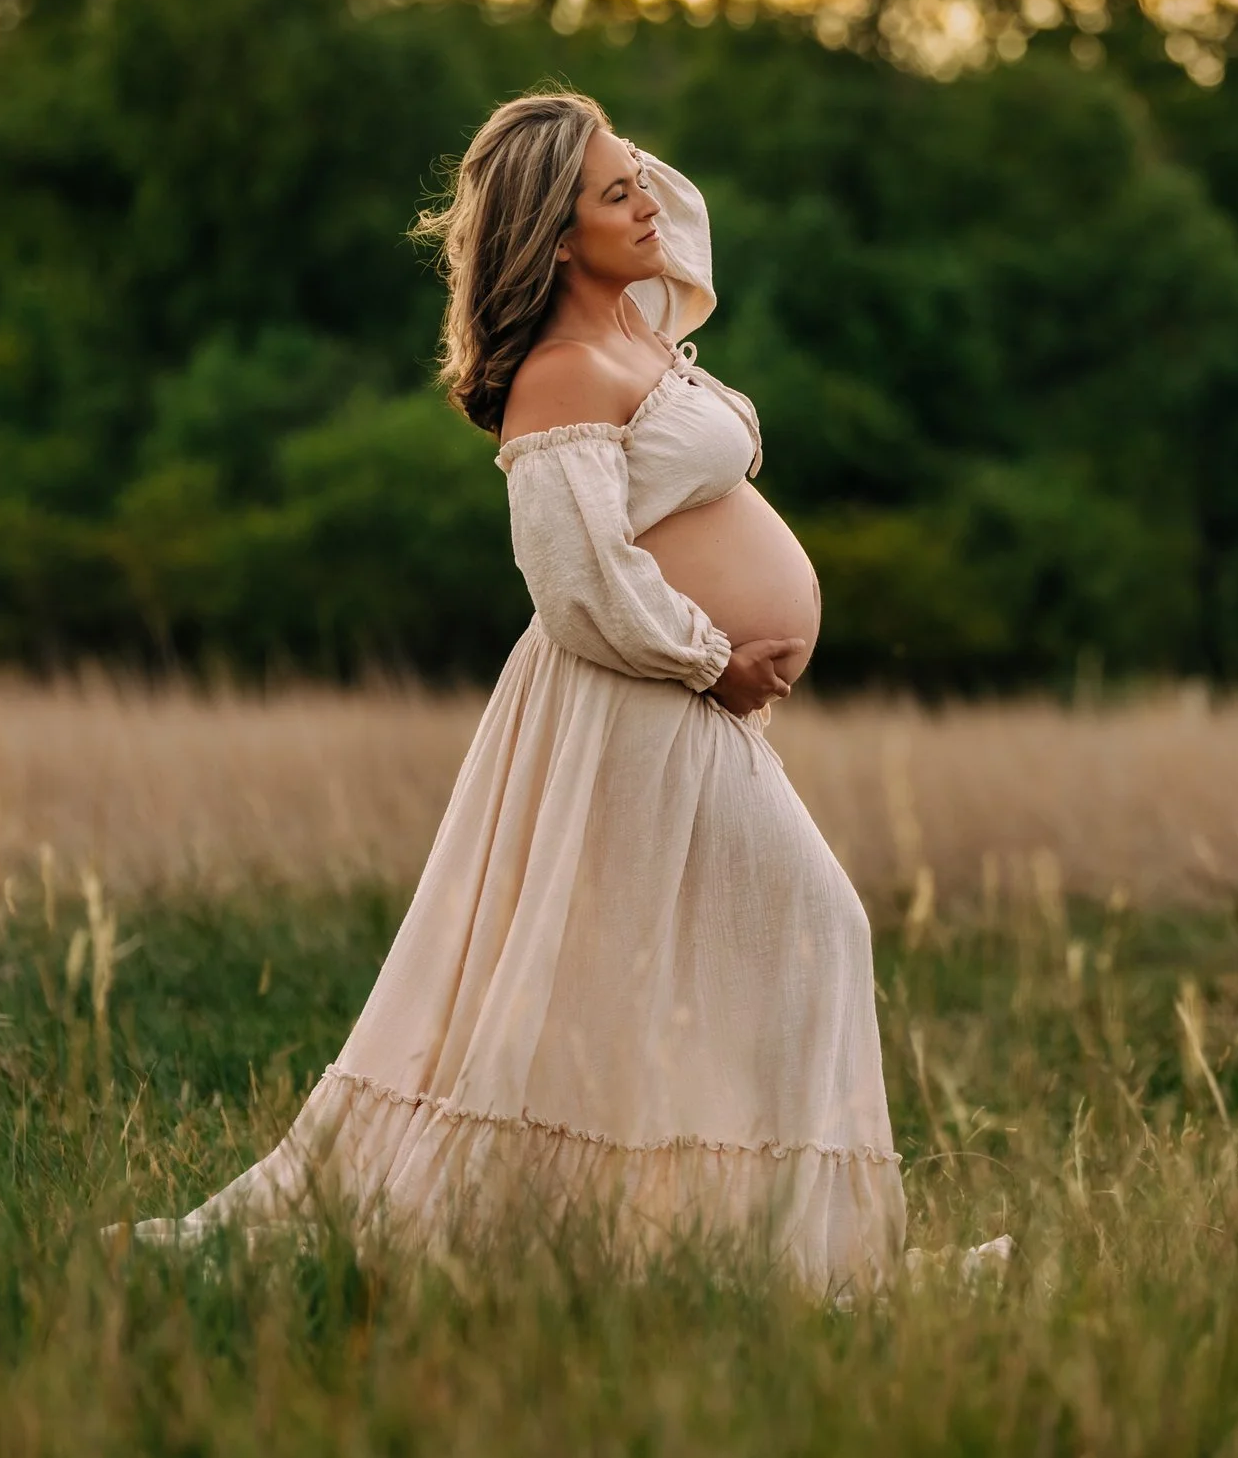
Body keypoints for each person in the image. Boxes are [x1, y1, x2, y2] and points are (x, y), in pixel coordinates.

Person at [122, 91, 904, 1294]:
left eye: (639, 177)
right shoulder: (562, 371)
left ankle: (728, 1253)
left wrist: (590, 141)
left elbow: (679, 221)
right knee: (804, 928)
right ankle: (746, 1258)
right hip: (634, 701)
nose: (648, 203)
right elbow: (575, 575)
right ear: (550, 239)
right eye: (613, 194)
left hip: (689, 707)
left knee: (664, 971)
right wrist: (710, 655)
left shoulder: (643, 327)